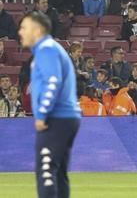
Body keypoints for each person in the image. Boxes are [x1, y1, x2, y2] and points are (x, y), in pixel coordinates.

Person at [18, 11, 81, 198]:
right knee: (59, 173)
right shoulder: (50, 48)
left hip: (56, 118)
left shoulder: (46, 49)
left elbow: (53, 82)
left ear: (37, 30)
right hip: (66, 117)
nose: (20, 32)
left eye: (24, 27)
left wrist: (43, 113)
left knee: (45, 171)